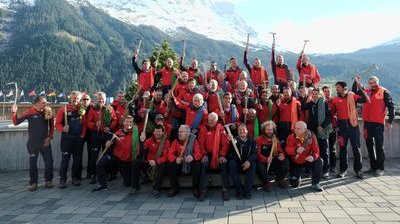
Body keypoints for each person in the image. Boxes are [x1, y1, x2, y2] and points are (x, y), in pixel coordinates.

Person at [354, 76, 395, 176]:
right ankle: (373, 167)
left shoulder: (384, 92)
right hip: (367, 123)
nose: (372, 84)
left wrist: (390, 122)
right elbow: (355, 95)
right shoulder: (366, 91)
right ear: (368, 83)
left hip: (378, 124)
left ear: (378, 82)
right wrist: (356, 83)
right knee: (369, 145)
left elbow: (391, 107)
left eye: (374, 82)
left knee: (379, 146)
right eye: (371, 83)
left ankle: (380, 168)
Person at [11, 96, 54, 191]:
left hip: (45, 142)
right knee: (33, 164)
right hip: (33, 143)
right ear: (37, 103)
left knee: (49, 162)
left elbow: (51, 127)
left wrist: (49, 138)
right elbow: (16, 122)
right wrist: (14, 112)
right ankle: (34, 183)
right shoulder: (29, 112)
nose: (45, 104)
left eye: (45, 103)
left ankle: (48, 181)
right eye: (43, 103)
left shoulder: (48, 111)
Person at [331, 80, 368, 179]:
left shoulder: (352, 96)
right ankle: (343, 170)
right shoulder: (335, 100)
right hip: (342, 127)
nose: (337, 89)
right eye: (336, 87)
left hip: (353, 126)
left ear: (344, 88)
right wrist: (335, 125)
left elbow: (365, 99)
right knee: (343, 149)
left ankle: (358, 170)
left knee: (356, 148)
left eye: (338, 87)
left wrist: (361, 87)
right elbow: (332, 114)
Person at [92, 115, 137, 191]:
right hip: (117, 158)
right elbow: (110, 141)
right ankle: (102, 185)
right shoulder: (118, 133)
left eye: (130, 122)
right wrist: (108, 143)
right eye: (127, 121)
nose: (128, 123)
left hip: (127, 161)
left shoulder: (135, 133)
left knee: (128, 183)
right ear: (123, 122)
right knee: (100, 162)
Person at [55, 91, 86, 188]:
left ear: (79, 99)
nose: (75, 100)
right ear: (70, 98)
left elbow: (84, 125)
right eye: (74, 98)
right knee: (65, 160)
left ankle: (75, 178)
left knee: (77, 161)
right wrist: (62, 128)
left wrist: (82, 135)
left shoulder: (82, 110)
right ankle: (62, 180)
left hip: (78, 139)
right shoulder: (63, 109)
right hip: (66, 140)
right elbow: (57, 124)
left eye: (77, 99)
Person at [86, 91, 118, 184]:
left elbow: (115, 119)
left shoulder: (109, 108)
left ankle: (107, 173)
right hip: (96, 134)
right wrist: (95, 125)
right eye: (99, 99)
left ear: (105, 99)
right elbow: (88, 123)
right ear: (96, 99)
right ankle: (93, 174)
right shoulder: (93, 109)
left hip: (107, 134)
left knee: (107, 155)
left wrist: (110, 127)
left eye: (102, 99)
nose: (101, 100)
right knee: (94, 156)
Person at [197, 113, 230, 201]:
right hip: (207, 154)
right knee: (203, 165)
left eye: (213, 120)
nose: (210, 122)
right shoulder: (204, 129)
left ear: (216, 120)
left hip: (219, 154)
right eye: (209, 120)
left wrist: (222, 155)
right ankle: (203, 191)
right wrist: (203, 154)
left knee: (224, 164)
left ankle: (225, 189)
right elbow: (201, 144)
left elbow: (225, 144)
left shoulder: (221, 129)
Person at [167, 125, 205, 198]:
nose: (179, 133)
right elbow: (170, 154)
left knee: (197, 164)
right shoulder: (175, 141)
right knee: (169, 164)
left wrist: (192, 157)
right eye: (179, 132)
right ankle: (175, 187)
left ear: (187, 133)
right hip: (180, 163)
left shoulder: (193, 140)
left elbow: (199, 153)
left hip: (189, 164)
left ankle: (195, 187)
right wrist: (175, 159)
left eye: (182, 132)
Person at [302, 88, 332, 178]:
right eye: (313, 94)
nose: (314, 95)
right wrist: (305, 97)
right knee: (311, 151)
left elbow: (329, 117)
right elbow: (302, 107)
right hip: (311, 132)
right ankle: (311, 170)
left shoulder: (325, 103)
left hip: (322, 131)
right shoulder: (310, 104)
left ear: (320, 95)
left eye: (316, 94)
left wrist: (322, 126)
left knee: (324, 151)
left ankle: (325, 170)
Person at [286, 121, 323, 191]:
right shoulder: (291, 137)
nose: (296, 130)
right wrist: (295, 149)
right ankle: (297, 177)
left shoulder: (311, 136)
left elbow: (316, 150)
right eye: (295, 128)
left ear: (305, 130)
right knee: (294, 184)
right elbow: (287, 150)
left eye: (299, 129)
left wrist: (313, 157)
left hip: (307, 160)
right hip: (296, 162)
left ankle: (315, 183)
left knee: (319, 161)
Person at [256, 121, 289, 191]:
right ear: (264, 130)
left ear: (273, 130)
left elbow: (281, 151)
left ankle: (279, 179)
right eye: (267, 130)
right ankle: (266, 182)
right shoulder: (259, 139)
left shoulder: (275, 139)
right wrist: (265, 159)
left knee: (285, 162)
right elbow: (257, 154)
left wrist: (282, 155)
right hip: (263, 162)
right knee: (259, 164)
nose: (269, 131)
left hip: (273, 161)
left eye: (270, 130)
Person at [140, 125, 171, 197]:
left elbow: (166, 156)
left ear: (163, 133)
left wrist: (156, 161)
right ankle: (135, 186)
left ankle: (157, 189)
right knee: (136, 162)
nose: (157, 133)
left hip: (159, 163)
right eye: (156, 131)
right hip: (149, 163)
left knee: (162, 166)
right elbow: (141, 151)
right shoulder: (149, 140)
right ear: (153, 132)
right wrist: (142, 141)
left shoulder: (166, 142)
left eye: (159, 131)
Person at [227, 124, 257, 199]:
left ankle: (247, 191)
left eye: (243, 129)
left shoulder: (252, 141)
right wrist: (230, 142)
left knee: (253, 164)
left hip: (247, 165)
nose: (242, 131)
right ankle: (239, 191)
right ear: (237, 132)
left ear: (247, 131)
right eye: (240, 130)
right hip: (238, 164)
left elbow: (254, 154)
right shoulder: (234, 140)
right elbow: (230, 154)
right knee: (231, 163)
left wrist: (248, 161)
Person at [322, 85, 337, 173]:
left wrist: (337, 125)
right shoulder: (320, 102)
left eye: (328, 91)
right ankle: (324, 166)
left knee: (332, 147)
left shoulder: (334, 101)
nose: (327, 93)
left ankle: (333, 166)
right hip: (323, 128)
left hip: (333, 128)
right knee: (324, 148)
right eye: (325, 91)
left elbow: (338, 113)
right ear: (323, 92)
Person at [80, 93, 94, 179]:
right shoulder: (78, 108)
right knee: (78, 155)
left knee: (91, 155)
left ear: (90, 100)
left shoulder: (93, 108)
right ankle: (78, 173)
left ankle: (90, 172)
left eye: (87, 99)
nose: (85, 101)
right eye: (84, 99)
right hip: (80, 134)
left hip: (91, 134)